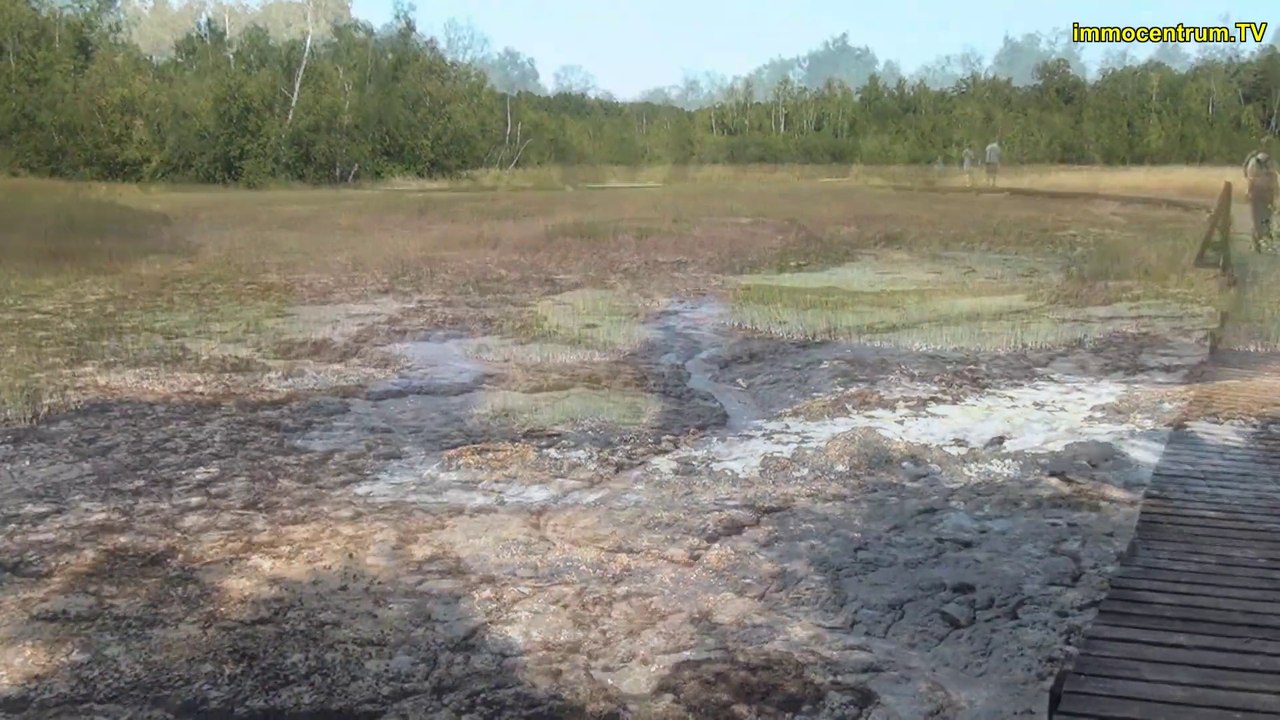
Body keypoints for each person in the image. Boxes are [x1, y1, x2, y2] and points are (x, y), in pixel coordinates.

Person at [1244, 143, 1278, 251]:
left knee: (1256, 218)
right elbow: (1275, 178)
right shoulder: (1272, 162)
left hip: (1256, 193)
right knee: (1267, 217)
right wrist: (1276, 192)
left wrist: (1248, 192)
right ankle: (1264, 241)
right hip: (1268, 193)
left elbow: (1250, 178)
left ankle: (1256, 242)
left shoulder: (1253, 161)